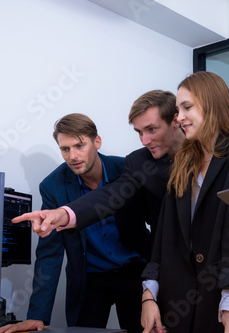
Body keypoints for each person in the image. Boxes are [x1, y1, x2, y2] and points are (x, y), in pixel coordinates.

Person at [0, 113, 149, 333]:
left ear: (97, 142)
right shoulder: (53, 186)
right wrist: (37, 315)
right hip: (91, 279)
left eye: (79, 145)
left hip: (137, 272)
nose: (73, 156)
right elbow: (50, 254)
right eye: (65, 149)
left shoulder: (126, 168)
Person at [140, 71, 229, 333]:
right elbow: (163, 234)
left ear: (212, 104)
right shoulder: (183, 160)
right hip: (174, 306)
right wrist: (148, 296)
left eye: (187, 107)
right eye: (177, 110)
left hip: (218, 301)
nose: (179, 117)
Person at [12, 89, 185, 248]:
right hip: (169, 268)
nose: (144, 141)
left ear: (176, 120)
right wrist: (62, 214)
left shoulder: (210, 153)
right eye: (139, 132)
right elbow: (109, 196)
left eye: (151, 129)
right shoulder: (138, 161)